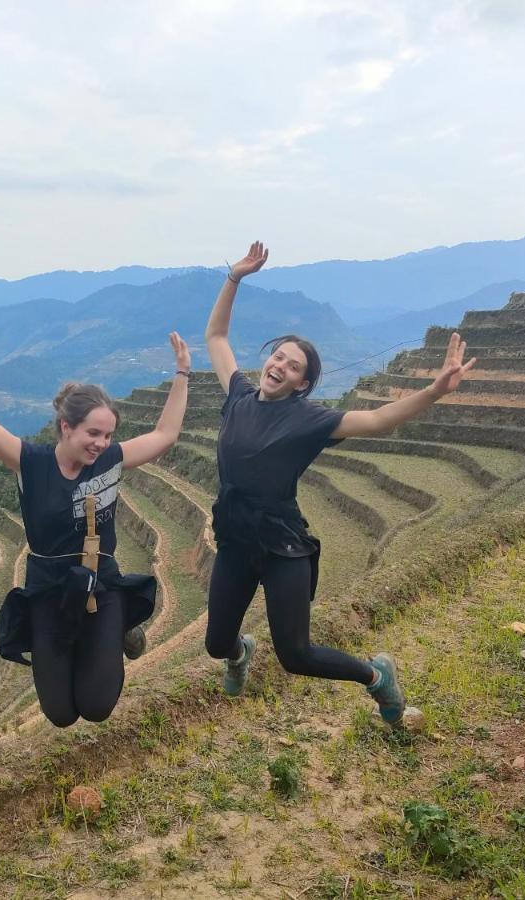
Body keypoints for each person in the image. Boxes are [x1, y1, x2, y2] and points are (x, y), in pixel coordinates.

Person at [202, 242, 476, 725]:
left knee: (296, 655)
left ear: (301, 384)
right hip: (234, 541)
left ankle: (377, 677)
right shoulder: (238, 396)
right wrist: (235, 278)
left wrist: (434, 390)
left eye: (293, 366)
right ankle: (240, 653)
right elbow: (217, 336)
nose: (280, 366)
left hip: (283, 547)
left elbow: (377, 420)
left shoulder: (309, 420)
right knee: (216, 642)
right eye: (278, 356)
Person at [0, 311, 192, 727]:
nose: (101, 443)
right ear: (66, 427)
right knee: (60, 713)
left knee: (96, 707)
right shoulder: (31, 463)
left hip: (102, 582)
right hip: (50, 589)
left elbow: (165, 435)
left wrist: (183, 373)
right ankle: (92, 641)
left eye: (108, 435)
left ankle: (116, 631)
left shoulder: (112, 460)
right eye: (92, 434)